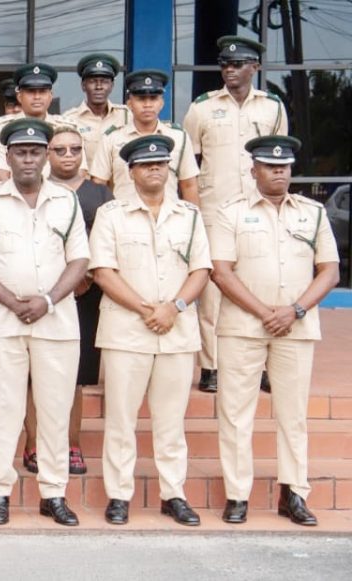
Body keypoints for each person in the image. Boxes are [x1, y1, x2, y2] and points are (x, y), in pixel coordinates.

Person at [0, 119, 89, 527]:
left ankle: (53, 493)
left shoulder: (66, 201)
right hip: (4, 322)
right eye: (21, 152)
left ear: (46, 155)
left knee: (54, 410)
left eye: (36, 151)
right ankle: (0, 490)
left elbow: (80, 261)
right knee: (3, 410)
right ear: (9, 157)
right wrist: (11, 302)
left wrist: (48, 300)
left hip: (56, 323)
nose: (29, 158)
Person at [210, 136, 339, 526]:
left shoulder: (313, 213)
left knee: (293, 414)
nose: (278, 171)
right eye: (269, 165)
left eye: (283, 165)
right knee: (235, 413)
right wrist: (266, 312)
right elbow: (220, 270)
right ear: (254, 171)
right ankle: (237, 495)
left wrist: (295, 310)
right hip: (242, 327)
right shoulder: (230, 212)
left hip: (295, 329)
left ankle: (294, 493)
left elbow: (330, 271)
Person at [90, 134, 212, 527]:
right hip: (127, 331)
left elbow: (201, 270)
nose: (154, 169)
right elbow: (103, 271)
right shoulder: (111, 214)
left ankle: (173, 493)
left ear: (170, 169)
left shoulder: (190, 216)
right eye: (145, 164)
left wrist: (173, 308)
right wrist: (148, 309)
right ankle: (119, 495)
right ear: (131, 171)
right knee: (121, 419)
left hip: (176, 331)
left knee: (171, 421)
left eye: (160, 163)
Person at [183, 36, 289, 394]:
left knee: (261, 282)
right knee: (213, 290)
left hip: (260, 208)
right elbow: (187, 164)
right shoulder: (202, 107)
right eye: (225, 64)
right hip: (216, 210)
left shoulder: (272, 107)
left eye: (238, 64)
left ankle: (259, 365)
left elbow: (280, 160)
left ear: (254, 68)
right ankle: (211, 366)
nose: (229, 69)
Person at [21, 127, 112, 476]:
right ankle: (33, 445)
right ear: (48, 154)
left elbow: (104, 242)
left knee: (73, 377)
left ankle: (70, 444)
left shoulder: (100, 194)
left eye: (75, 149)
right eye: (59, 150)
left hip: (85, 295)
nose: (68, 155)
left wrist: (83, 279)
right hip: (40, 294)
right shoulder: (34, 190)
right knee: (33, 376)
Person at [91, 70, 199, 204]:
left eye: (153, 98)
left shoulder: (179, 137)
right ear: (129, 104)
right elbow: (98, 186)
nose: (147, 105)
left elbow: (189, 185)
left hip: (168, 219)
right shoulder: (111, 138)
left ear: (161, 103)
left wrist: (194, 223)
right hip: (124, 219)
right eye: (141, 99)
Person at [0, 64, 86, 183]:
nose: (37, 97)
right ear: (19, 96)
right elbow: (0, 177)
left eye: (42, 92)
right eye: (31, 91)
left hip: (61, 199)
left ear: (51, 96)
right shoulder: (1, 128)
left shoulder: (67, 128)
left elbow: (79, 174)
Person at [63, 54, 130, 166]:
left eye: (104, 81)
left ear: (112, 86)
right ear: (83, 86)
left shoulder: (127, 116)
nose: (99, 86)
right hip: (85, 182)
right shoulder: (69, 119)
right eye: (93, 81)